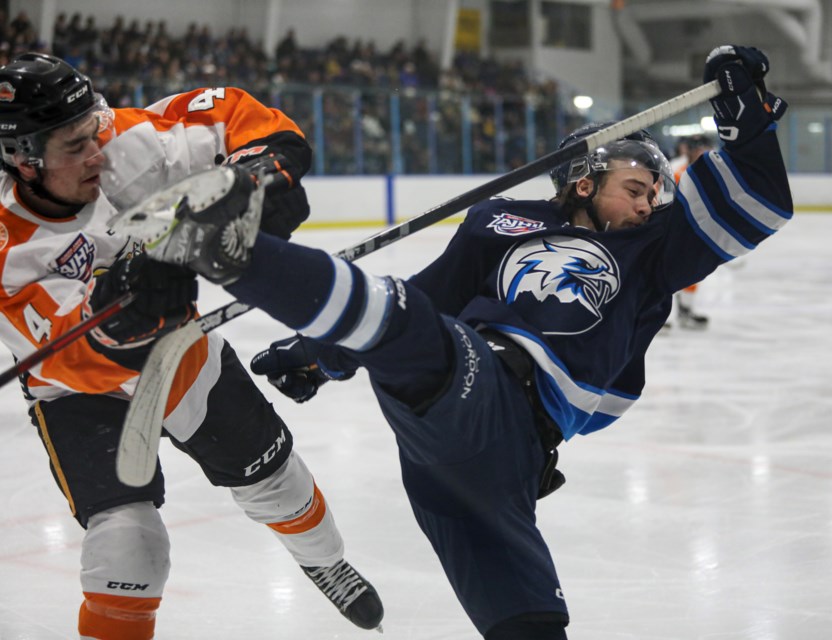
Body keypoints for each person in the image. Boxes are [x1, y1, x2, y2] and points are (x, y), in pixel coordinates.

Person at [133, 44, 791, 639]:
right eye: (637, 189)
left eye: (653, 193)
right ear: (584, 180)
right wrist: (320, 353)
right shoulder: (498, 222)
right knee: (403, 315)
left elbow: (758, 199)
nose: (650, 204)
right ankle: (223, 250)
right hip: (478, 389)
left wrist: (748, 119)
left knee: (528, 625)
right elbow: (426, 300)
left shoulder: (653, 250)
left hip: (509, 465)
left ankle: (229, 251)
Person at [0, 53, 383, 639]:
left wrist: (261, 172)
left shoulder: (124, 141)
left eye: (91, 132)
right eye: (73, 147)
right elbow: (76, 357)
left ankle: (324, 562)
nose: (96, 154)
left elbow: (235, 115)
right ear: (22, 160)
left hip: (183, 359)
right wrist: (136, 293)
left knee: (276, 483)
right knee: (129, 548)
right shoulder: (8, 247)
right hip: (75, 391)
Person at [670, 133, 716, 329]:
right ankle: (662, 314)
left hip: (694, 229)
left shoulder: (712, 170)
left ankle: (685, 311)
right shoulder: (676, 170)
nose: (704, 153)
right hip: (673, 229)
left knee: (692, 272)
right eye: (699, 149)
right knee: (667, 272)